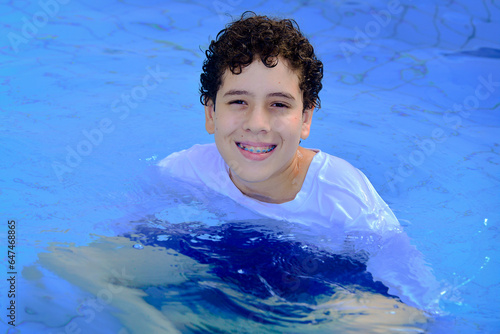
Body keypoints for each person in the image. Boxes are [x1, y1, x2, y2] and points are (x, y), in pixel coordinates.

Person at [158, 12, 441, 314]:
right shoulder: (184, 172)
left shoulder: (345, 202)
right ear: (211, 114)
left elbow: (419, 309)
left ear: (305, 118)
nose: (257, 124)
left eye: (278, 104)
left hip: (323, 287)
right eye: (239, 101)